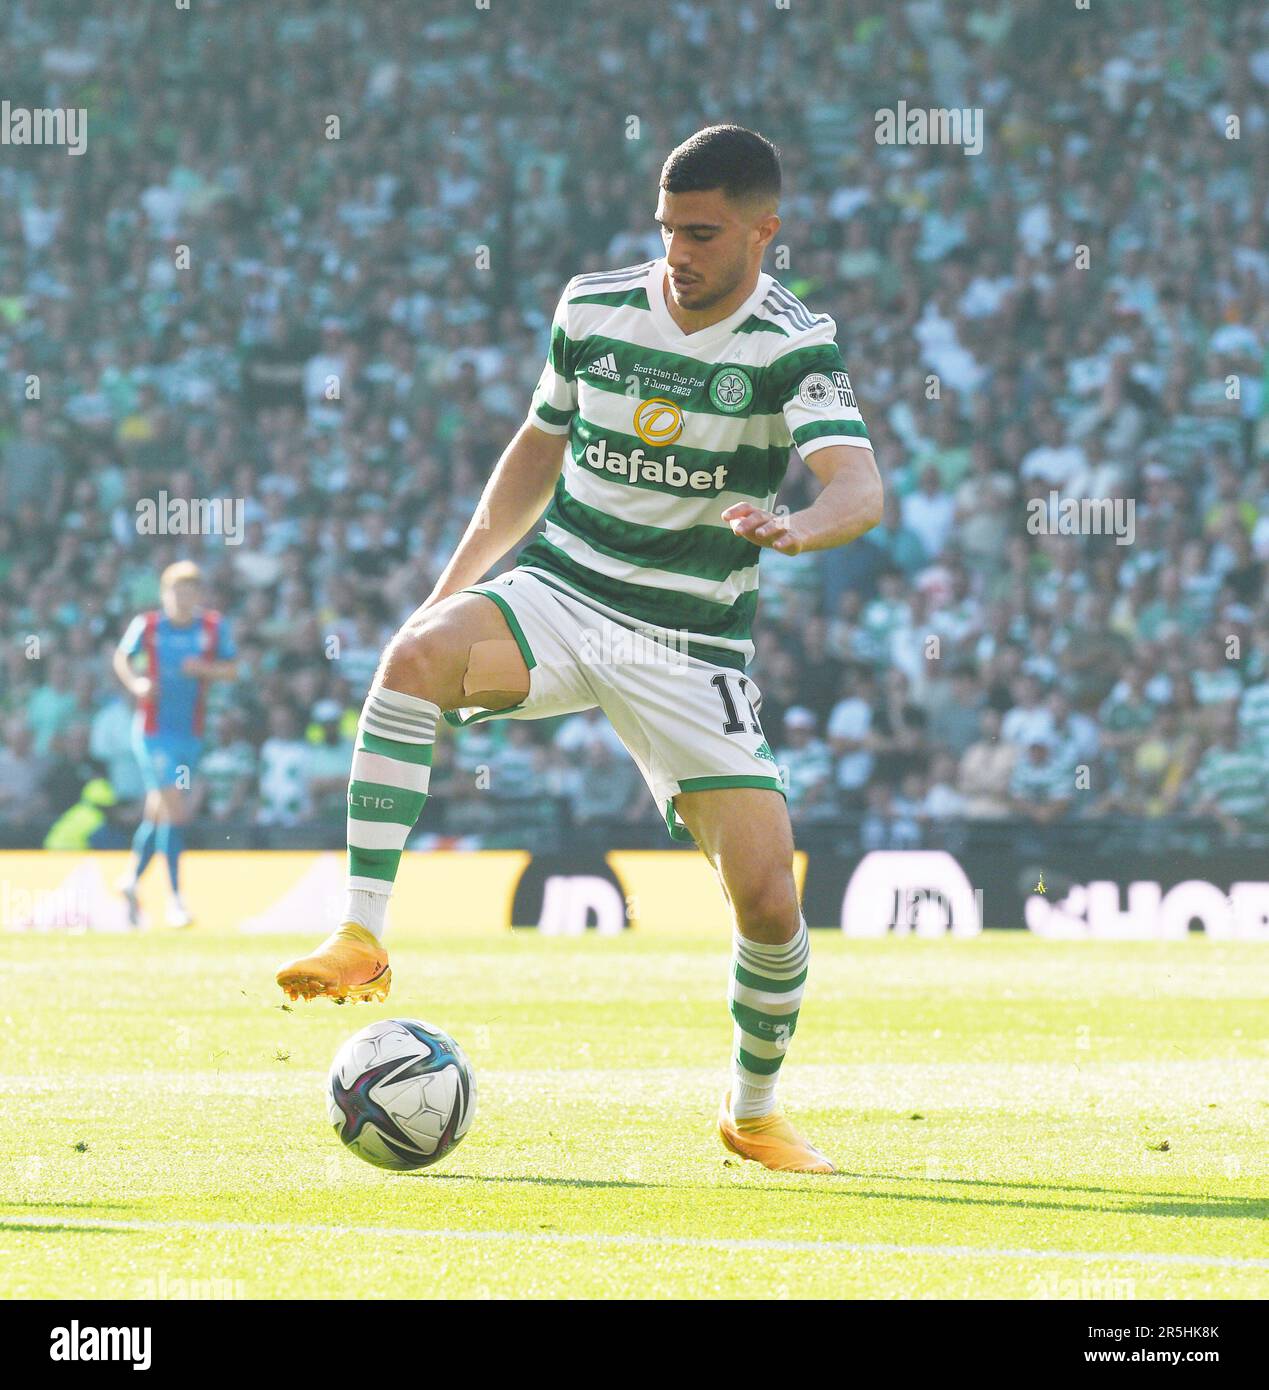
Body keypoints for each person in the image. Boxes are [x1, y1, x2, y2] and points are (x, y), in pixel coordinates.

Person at [276, 125, 883, 1174]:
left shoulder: (793, 343)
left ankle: (753, 1110)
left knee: (770, 898)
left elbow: (858, 488)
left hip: (690, 643)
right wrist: (455, 581)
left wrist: (802, 527)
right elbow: (537, 446)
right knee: (415, 654)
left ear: (763, 231)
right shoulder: (593, 306)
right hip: (564, 592)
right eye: (666, 230)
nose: (678, 253)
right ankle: (363, 933)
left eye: (703, 234)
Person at [112, 561, 238, 926]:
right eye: (176, 592)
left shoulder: (213, 627)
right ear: (165, 594)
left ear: (199, 595)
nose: (183, 599)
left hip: (191, 734)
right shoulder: (148, 626)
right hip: (153, 734)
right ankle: (176, 900)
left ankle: (132, 881)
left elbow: (232, 669)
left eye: (190, 592)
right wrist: (136, 683)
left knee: (159, 812)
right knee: (177, 811)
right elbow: (121, 658)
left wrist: (205, 670)